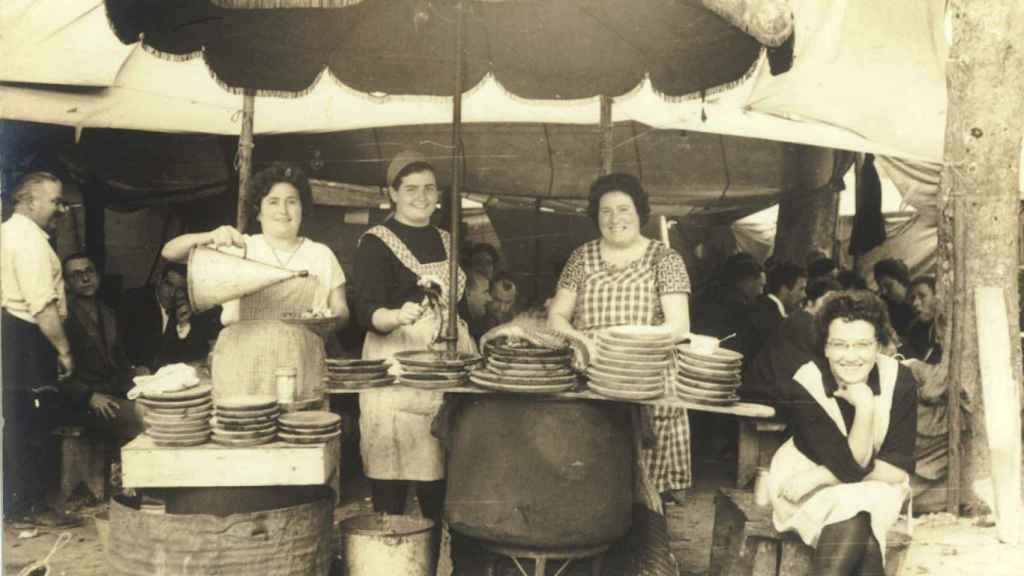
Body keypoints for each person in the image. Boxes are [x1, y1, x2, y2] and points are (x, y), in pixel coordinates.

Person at [547, 172, 693, 505]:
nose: (615, 219)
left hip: (649, 385)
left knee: (647, 494)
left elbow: (679, 328)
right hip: (593, 380)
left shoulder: (665, 259)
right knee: (593, 485)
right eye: (606, 211)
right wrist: (580, 340)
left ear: (640, 212)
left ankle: (650, 554)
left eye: (623, 209)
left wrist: (622, 340)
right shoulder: (581, 257)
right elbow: (557, 316)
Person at [350, 150, 476, 526]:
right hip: (397, 367)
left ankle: (436, 559)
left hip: (445, 365)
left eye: (429, 188)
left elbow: (461, 304)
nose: (421, 196)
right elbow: (363, 310)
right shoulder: (375, 242)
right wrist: (394, 316)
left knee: (440, 481)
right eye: (410, 189)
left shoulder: (447, 239)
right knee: (394, 473)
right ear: (393, 193)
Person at [768, 290, 917, 576]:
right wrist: (864, 412)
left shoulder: (900, 380)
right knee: (862, 524)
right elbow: (852, 466)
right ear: (825, 347)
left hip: (827, 481)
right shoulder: (807, 382)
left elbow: (896, 470)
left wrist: (864, 407)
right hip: (803, 483)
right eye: (839, 345)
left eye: (862, 345)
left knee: (860, 506)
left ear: (879, 346)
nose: (851, 357)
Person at [161, 164, 349, 329]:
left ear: (302, 209)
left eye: (291, 202)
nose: (283, 211)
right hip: (243, 358)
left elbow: (341, 309)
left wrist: (329, 322)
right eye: (273, 202)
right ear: (258, 212)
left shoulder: (321, 254)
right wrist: (210, 236)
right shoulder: (239, 248)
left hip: (303, 357)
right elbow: (170, 252)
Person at [1, 171, 78, 524]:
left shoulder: (9, 233)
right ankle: (27, 507)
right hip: (28, 339)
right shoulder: (29, 241)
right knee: (31, 424)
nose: (61, 208)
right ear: (31, 203)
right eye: (56, 201)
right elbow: (42, 306)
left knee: (17, 421)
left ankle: (20, 504)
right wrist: (63, 350)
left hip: (14, 335)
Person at [61, 254, 142, 445]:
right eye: (76, 275)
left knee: (163, 409)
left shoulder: (107, 312)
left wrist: (139, 377)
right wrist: (88, 396)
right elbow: (53, 373)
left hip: (113, 394)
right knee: (150, 420)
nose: (85, 279)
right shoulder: (63, 318)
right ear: (65, 283)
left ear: (98, 275)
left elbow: (119, 362)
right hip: (83, 402)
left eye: (89, 271)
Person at [742, 277, 840, 406]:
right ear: (810, 302)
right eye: (827, 301)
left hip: (766, 394)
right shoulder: (804, 323)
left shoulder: (801, 320)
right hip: (767, 398)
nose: (832, 307)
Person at [119, 261, 221, 373]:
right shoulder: (135, 301)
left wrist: (183, 325)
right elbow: (125, 349)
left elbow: (195, 354)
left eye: (180, 289)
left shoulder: (183, 309)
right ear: (159, 280)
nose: (172, 293)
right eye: (169, 285)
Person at [744, 261, 807, 362]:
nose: (804, 295)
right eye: (801, 289)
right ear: (784, 289)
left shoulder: (766, 308)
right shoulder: (770, 318)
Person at [902, 275, 941, 363]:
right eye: (912, 299)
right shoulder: (913, 330)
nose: (915, 303)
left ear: (936, 296)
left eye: (922, 296)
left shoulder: (947, 325)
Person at [873, 258, 914, 338]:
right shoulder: (885, 307)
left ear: (902, 280)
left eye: (888, 285)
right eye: (880, 287)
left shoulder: (919, 301)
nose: (884, 291)